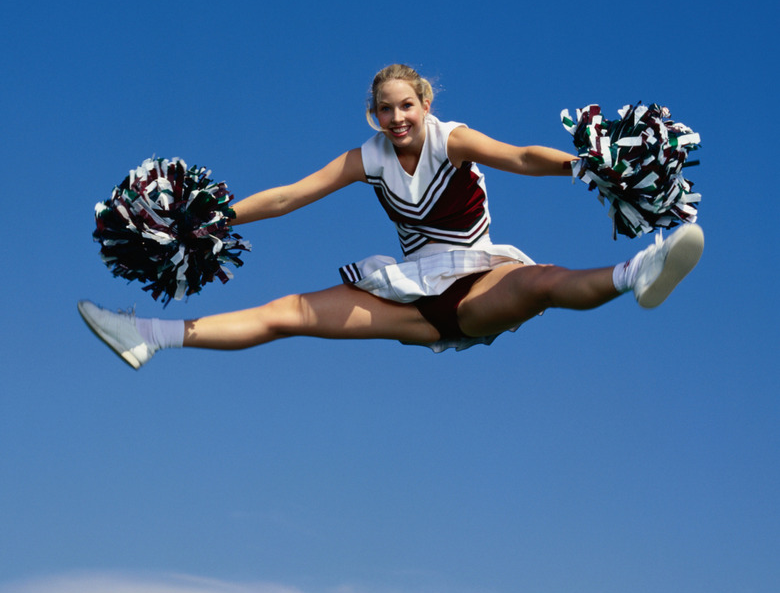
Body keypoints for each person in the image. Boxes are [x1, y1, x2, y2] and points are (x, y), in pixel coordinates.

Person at [78, 63, 704, 369]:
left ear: (425, 103)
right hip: (409, 296)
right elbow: (291, 195)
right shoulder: (367, 158)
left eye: (406, 105)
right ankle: (149, 337)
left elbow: (517, 156)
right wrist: (209, 218)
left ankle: (637, 271)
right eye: (385, 109)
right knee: (286, 314)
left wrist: (582, 164)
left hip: (473, 280)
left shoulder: (449, 139)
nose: (397, 118)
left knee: (540, 284)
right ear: (372, 114)